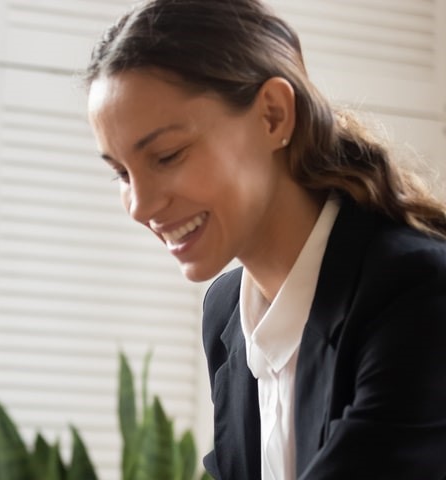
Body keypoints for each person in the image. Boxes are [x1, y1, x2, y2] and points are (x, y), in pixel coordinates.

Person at [85, 0, 446, 479]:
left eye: (167, 156)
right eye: (122, 174)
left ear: (273, 116)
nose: (141, 206)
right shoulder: (226, 313)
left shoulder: (416, 292)